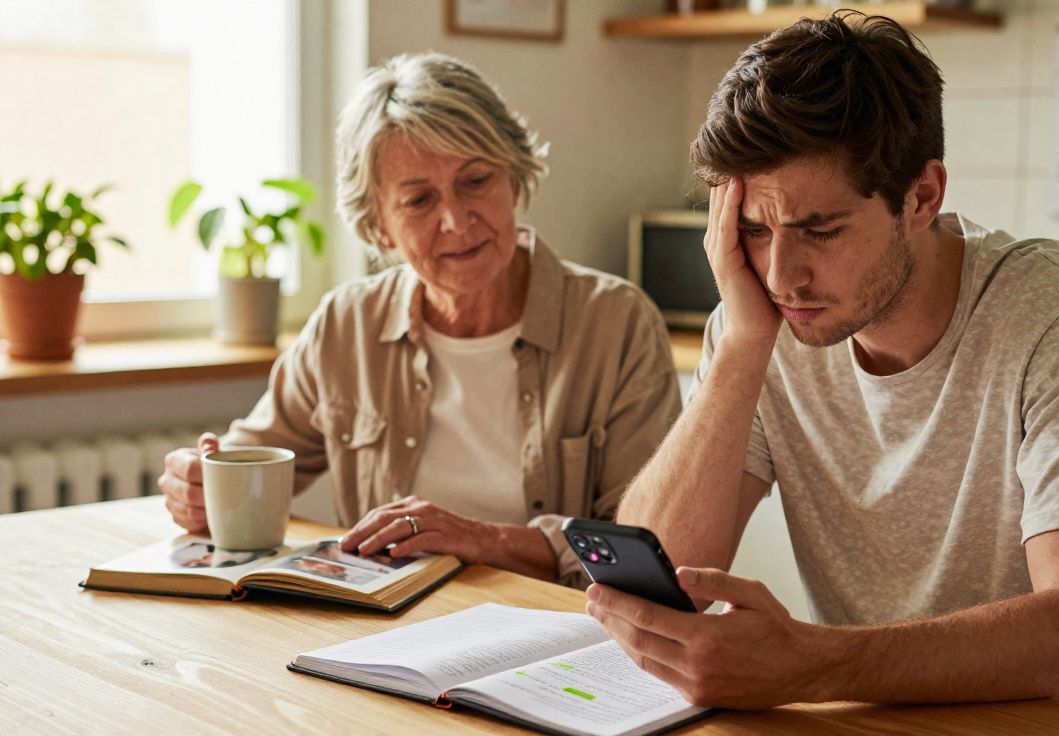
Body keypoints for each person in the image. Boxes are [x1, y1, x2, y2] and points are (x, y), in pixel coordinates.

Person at [583, 11, 1059, 732]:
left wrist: (814, 663)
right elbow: (661, 577)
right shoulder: (760, 321)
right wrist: (745, 344)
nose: (782, 274)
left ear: (922, 197)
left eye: (820, 230)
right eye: (752, 229)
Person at [157, 52, 680, 588]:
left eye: (476, 181)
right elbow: (244, 465)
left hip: (557, 632)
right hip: (389, 629)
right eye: (419, 200)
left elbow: (652, 543)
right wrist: (197, 487)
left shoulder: (616, 323)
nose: (456, 220)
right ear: (378, 227)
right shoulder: (347, 324)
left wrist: (481, 540)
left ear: (515, 179)